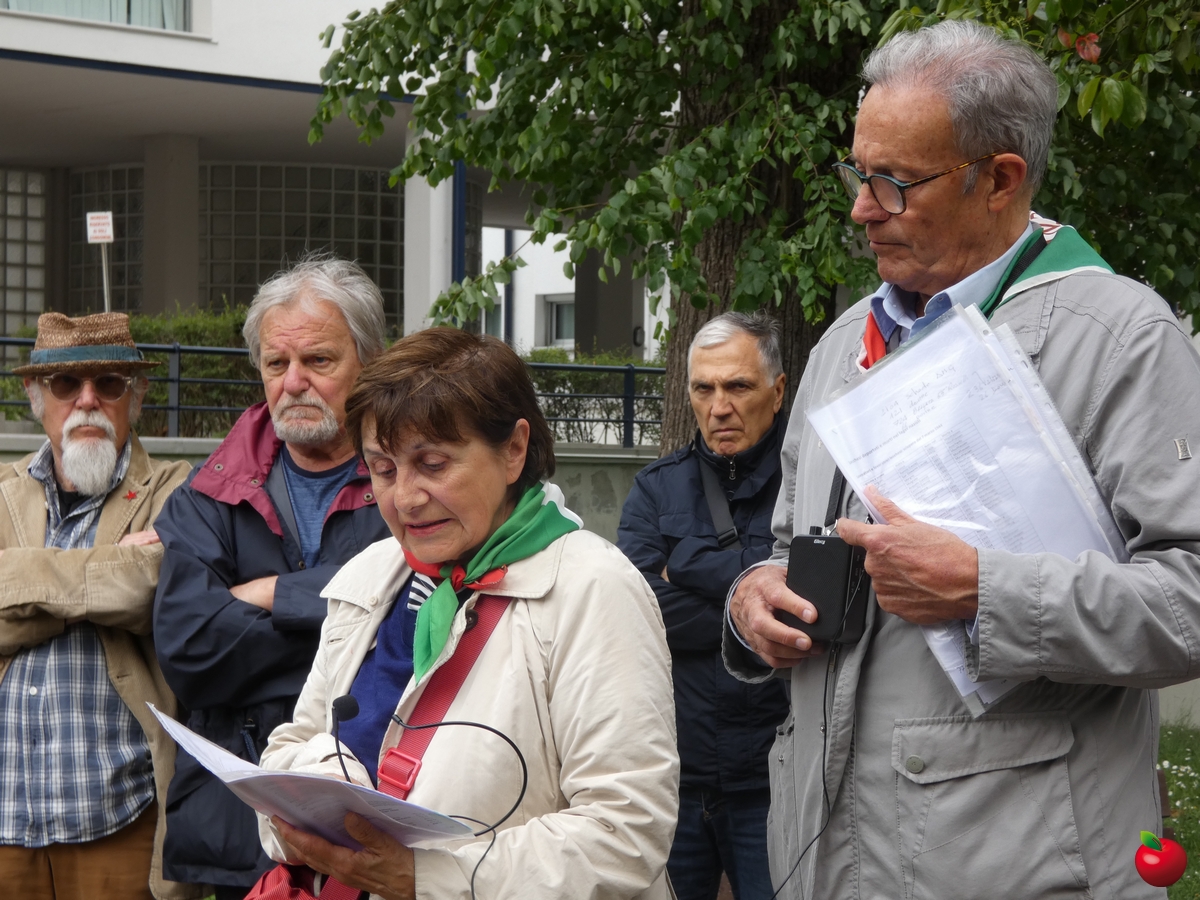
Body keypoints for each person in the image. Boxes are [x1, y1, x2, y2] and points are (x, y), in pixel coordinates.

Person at [725, 20, 1200, 899]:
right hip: (822, 862)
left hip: (1015, 867)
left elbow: (1192, 600)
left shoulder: (1121, 337)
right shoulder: (840, 346)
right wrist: (756, 594)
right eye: (856, 174)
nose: (861, 208)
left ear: (1001, 180)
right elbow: (789, 543)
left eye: (893, 183)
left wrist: (987, 590)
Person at [255, 328, 679, 900]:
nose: (405, 498)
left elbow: (625, 833)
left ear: (514, 450)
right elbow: (293, 745)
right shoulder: (373, 573)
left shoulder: (594, 589)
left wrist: (424, 876)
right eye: (383, 469)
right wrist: (316, 798)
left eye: (432, 464)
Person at [152, 256, 393, 897]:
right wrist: (345, 628)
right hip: (239, 823)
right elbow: (189, 653)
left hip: (383, 809)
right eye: (275, 363)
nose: (293, 382)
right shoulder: (207, 493)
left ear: (368, 361)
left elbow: (416, 620)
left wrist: (271, 594)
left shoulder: (412, 482)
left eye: (318, 360)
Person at [0, 313, 197, 900]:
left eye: (108, 383)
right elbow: (122, 584)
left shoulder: (174, 487)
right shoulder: (2, 491)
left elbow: (148, 589)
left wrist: (19, 579)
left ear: (135, 396)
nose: (87, 400)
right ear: (36, 395)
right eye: (66, 383)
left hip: (118, 815)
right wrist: (103, 578)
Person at [617, 310, 789, 900]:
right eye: (703, 388)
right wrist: (752, 602)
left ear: (777, 391)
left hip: (775, 776)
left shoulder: (809, 485)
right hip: (675, 777)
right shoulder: (656, 488)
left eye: (737, 386)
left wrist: (684, 565)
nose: (719, 407)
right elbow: (639, 612)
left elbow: (802, 608)